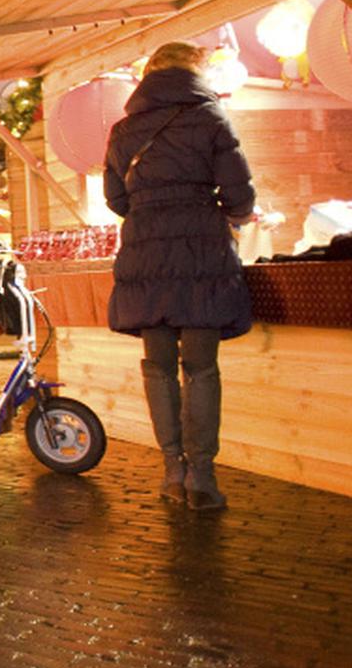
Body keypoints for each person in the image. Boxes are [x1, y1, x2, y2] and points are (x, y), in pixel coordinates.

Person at [102, 41, 255, 512]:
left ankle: (172, 472)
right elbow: (239, 195)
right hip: (200, 250)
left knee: (158, 367)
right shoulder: (209, 118)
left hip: (146, 253)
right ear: (196, 72)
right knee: (202, 367)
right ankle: (202, 477)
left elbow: (116, 198)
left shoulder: (124, 127)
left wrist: (150, 209)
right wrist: (227, 212)